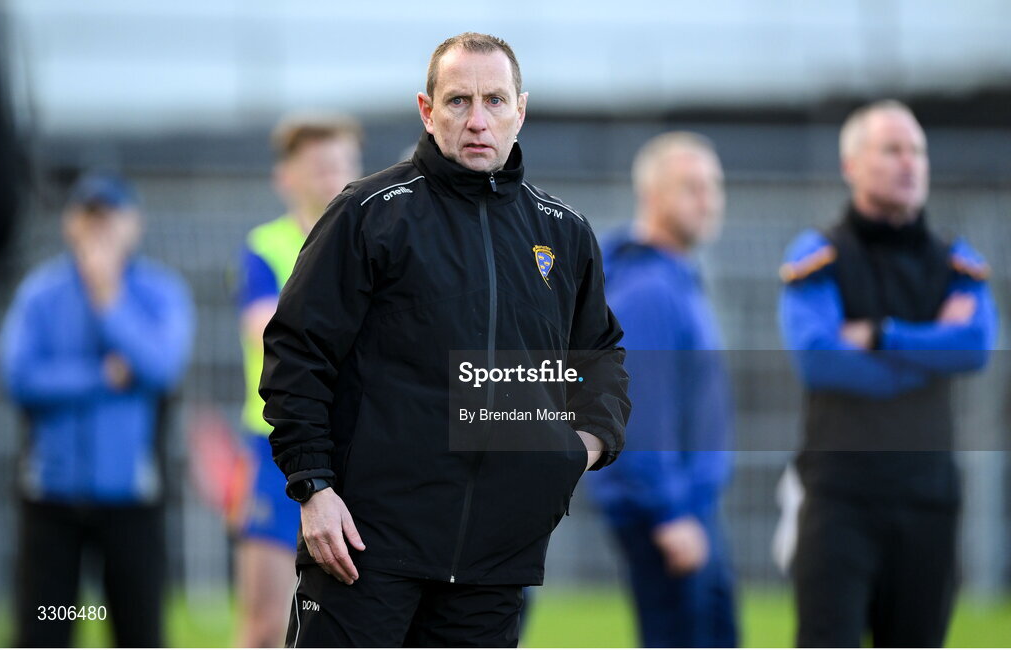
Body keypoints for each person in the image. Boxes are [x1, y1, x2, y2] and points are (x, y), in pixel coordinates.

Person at [259, 32, 630, 647]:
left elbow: (600, 358)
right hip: (366, 547)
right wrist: (313, 487)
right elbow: (299, 350)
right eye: (458, 101)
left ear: (521, 109)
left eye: (494, 100)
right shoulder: (370, 212)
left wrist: (584, 446)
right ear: (427, 111)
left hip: (496, 560)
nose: (477, 120)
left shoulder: (563, 234)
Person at [778, 100, 998, 647]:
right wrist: (927, 359)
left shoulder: (956, 263)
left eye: (917, 150)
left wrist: (881, 337)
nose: (909, 163)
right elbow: (820, 358)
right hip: (840, 501)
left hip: (928, 502)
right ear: (851, 165)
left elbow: (974, 347)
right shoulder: (818, 255)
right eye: (892, 150)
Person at [0, 172, 194, 647]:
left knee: (138, 628)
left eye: (112, 216)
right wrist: (102, 377)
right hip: (52, 496)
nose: (100, 227)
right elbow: (20, 377)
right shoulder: (40, 294)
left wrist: (108, 299)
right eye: (89, 216)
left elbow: (162, 365)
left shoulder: (159, 291)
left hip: (130, 495)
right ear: (70, 224)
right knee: (43, 628)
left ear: (135, 223)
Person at [587, 133, 737, 647]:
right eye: (691, 187)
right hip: (668, 513)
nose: (709, 199)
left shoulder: (676, 276)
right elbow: (635, 414)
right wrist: (671, 514)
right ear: (653, 196)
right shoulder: (648, 288)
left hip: (688, 507)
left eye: (714, 186)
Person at [234, 113, 362, 647]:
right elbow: (269, 333)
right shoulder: (266, 247)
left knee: (349, 618)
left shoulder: (374, 242)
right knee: (264, 620)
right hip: (272, 445)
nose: (331, 178)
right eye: (317, 167)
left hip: (354, 446)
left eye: (340, 165)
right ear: (285, 177)